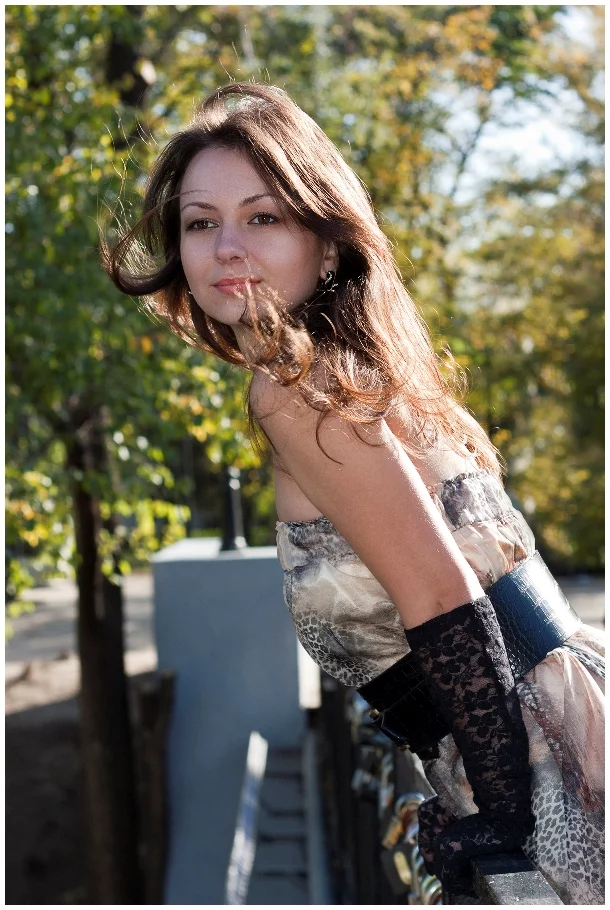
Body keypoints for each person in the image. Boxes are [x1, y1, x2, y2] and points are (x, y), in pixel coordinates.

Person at [103, 82, 604, 903]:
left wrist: (506, 818)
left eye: (263, 217)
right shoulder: (365, 371)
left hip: (552, 759)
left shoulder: (294, 387)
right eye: (200, 223)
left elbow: (442, 596)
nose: (227, 247)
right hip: (560, 720)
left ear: (327, 244)